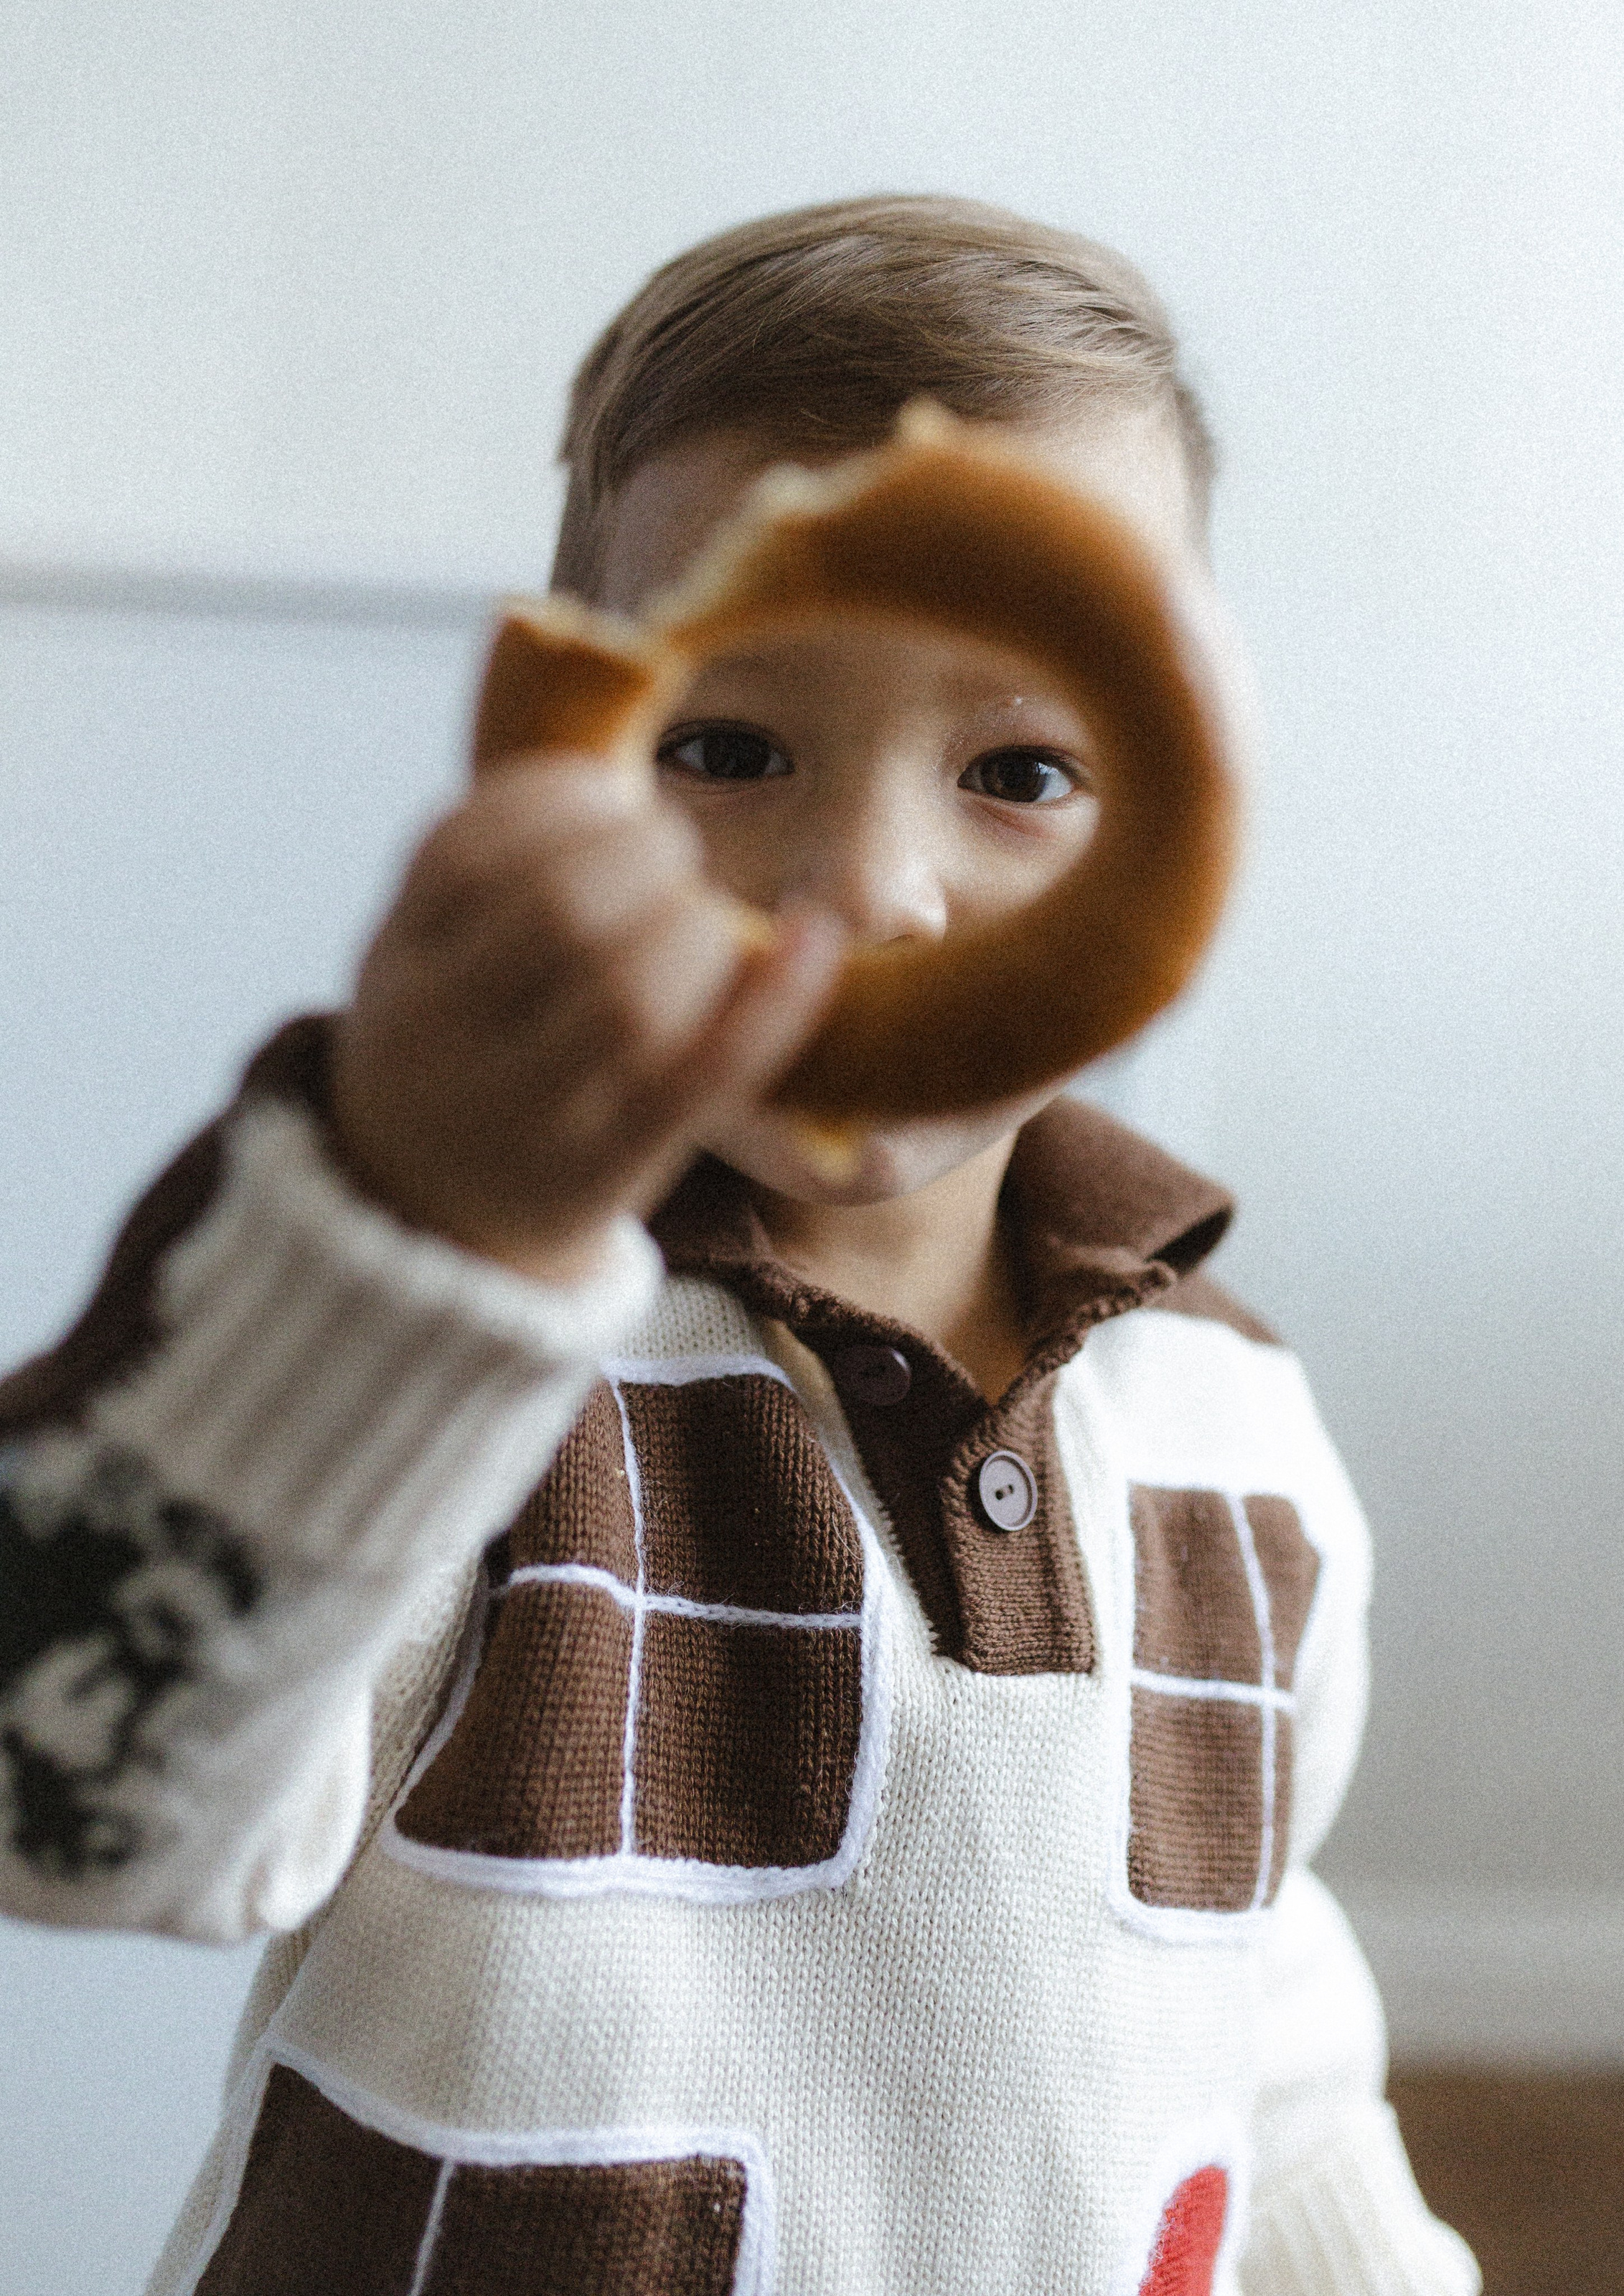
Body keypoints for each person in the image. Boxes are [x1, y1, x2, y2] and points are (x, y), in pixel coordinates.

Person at [0, 195, 1478, 2296]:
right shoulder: (438, 1360)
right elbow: (74, 1805)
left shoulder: (1232, 1428)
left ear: (1179, 795)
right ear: (566, 732)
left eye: (1022, 768)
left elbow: (1260, 2024)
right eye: (729, 748)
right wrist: (437, 1237)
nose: (866, 889)